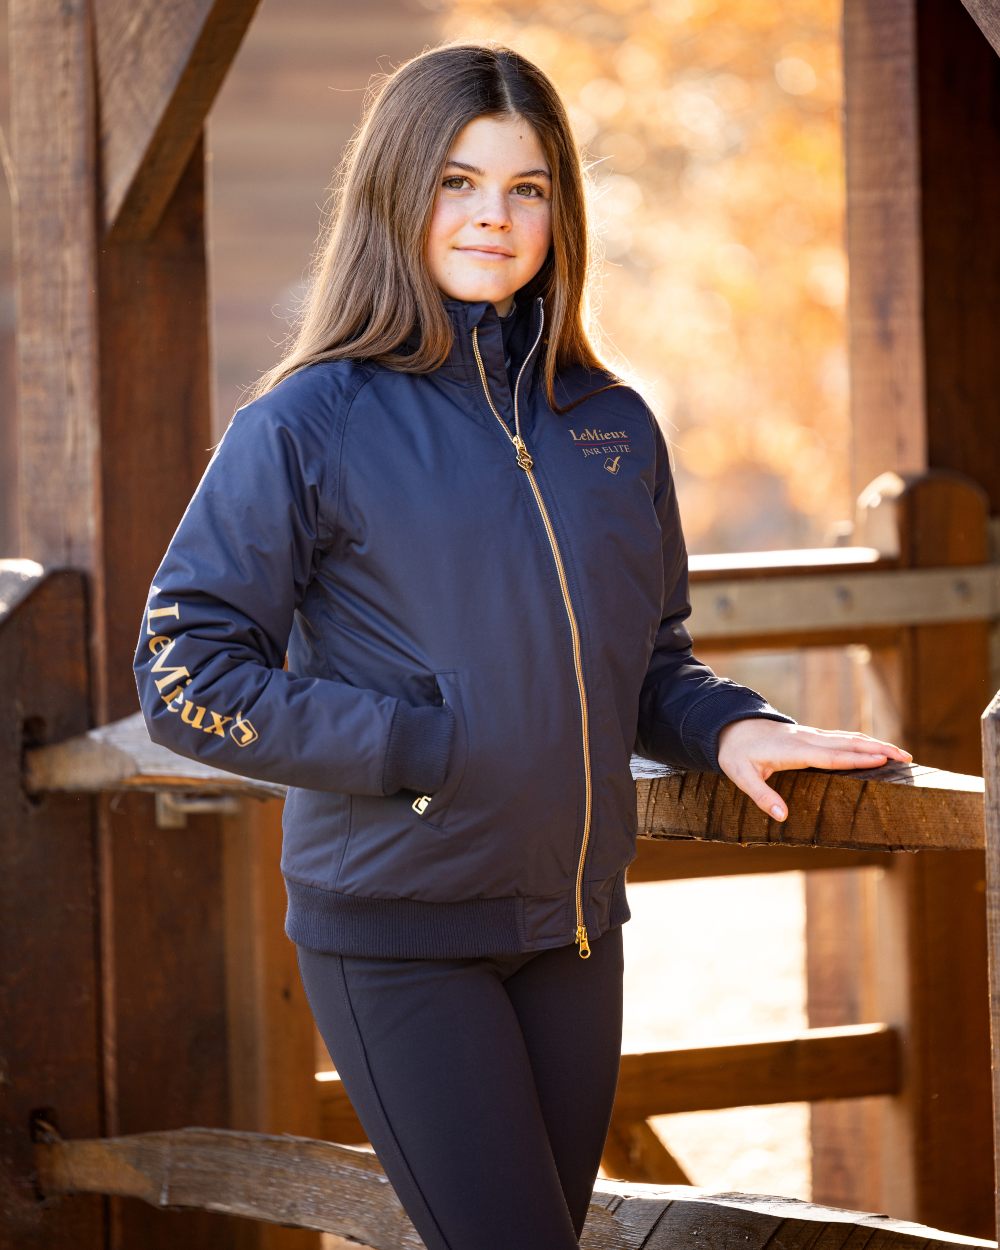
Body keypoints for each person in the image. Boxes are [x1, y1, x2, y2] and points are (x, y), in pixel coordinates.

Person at [132, 39, 912, 1250]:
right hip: (397, 929)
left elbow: (647, 659)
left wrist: (733, 722)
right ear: (395, 190)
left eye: (526, 186)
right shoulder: (308, 419)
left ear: (559, 208)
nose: (493, 216)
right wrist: (413, 743)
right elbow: (184, 669)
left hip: (571, 930)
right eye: (456, 180)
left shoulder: (607, 423)